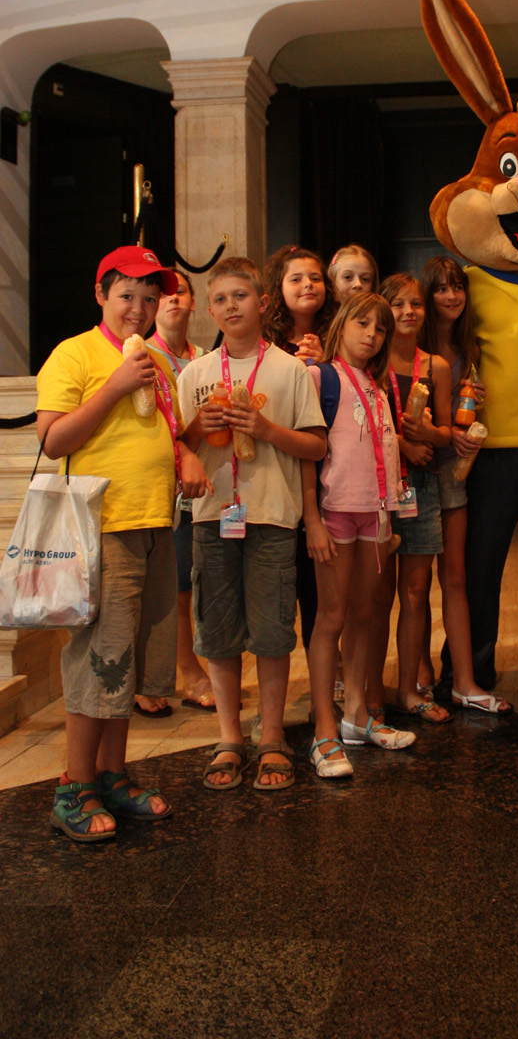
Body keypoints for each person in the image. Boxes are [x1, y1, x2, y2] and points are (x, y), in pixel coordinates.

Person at [36, 244, 209, 842]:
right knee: (101, 659)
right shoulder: (74, 354)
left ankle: (112, 776)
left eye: (149, 297)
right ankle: (73, 786)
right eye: (126, 295)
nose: (139, 308)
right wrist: (112, 387)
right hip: (102, 526)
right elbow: (54, 440)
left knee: (132, 662)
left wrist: (188, 450)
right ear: (100, 295)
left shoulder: (156, 361)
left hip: (156, 523)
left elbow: (168, 430)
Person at [177, 257, 326, 792]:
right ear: (209, 310)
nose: (230, 307)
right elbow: (179, 447)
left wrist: (265, 429)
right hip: (213, 516)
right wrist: (198, 427)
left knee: (270, 631)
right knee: (217, 630)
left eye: (240, 296)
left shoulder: (289, 370)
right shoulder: (194, 374)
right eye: (220, 299)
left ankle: (271, 736)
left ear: (263, 303)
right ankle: (228, 736)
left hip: (272, 516)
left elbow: (315, 445)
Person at [303, 291, 412, 777]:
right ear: (342, 324)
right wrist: (311, 519)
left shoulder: (378, 386)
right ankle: (324, 731)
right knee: (332, 616)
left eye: (380, 328)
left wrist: (389, 515)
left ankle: (356, 715)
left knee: (366, 614)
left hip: (377, 514)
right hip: (335, 513)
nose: (372, 334)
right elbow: (307, 454)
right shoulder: (319, 377)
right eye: (363, 323)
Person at [419, 256, 512, 713]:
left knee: (455, 577)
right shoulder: (412, 344)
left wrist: (475, 407)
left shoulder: (469, 345)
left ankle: (465, 681)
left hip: (455, 472)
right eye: (441, 288)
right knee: (414, 585)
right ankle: (418, 676)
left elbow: (466, 411)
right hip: (417, 470)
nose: (451, 295)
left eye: (457, 287)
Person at [368, 273, 454, 724]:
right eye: (398, 304)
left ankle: (409, 688)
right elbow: (364, 426)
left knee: (417, 592)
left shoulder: (435, 366)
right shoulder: (371, 363)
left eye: (415, 304)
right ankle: (371, 691)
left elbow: (446, 433)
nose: (408, 312)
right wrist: (403, 443)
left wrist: (428, 434)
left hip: (421, 487)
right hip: (378, 488)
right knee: (379, 595)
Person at [143, 268, 215, 716]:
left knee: (193, 582)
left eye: (180, 292)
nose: (172, 300)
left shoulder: (207, 359)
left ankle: (183, 667)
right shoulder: (140, 354)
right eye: (162, 294)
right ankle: (185, 670)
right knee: (171, 588)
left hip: (204, 487)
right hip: (160, 487)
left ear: (193, 303)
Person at [263, 245, 336, 684]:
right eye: (296, 278)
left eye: (315, 277)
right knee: (277, 591)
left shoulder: (338, 333)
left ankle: (327, 679)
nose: (308, 285)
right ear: (278, 288)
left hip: (330, 474)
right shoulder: (263, 341)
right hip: (277, 475)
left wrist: (326, 362)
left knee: (320, 589)